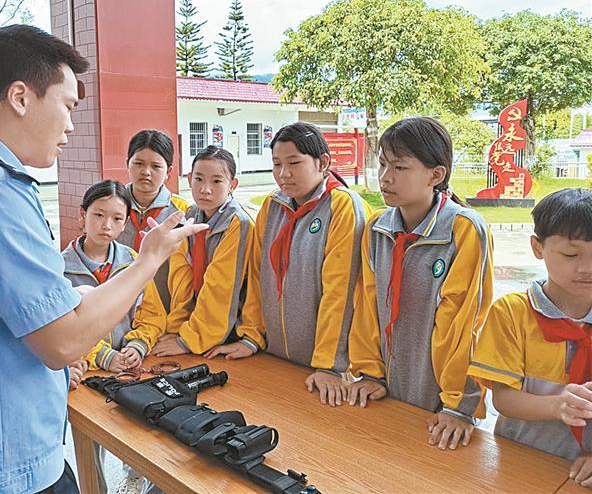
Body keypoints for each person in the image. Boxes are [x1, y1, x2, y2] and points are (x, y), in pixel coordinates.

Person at [0, 24, 206, 494]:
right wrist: (149, 260)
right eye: (67, 105)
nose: (71, 126)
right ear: (20, 97)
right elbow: (63, 341)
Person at [346, 117, 493, 451]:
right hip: (386, 392)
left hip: (444, 407)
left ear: (436, 175)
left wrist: (458, 405)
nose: (385, 177)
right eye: (383, 163)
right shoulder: (377, 228)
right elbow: (367, 306)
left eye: (400, 167)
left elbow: (464, 323)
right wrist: (369, 373)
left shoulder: (463, 229)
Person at [209, 122, 370, 401]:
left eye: (294, 163)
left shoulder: (342, 207)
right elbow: (258, 277)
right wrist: (252, 337)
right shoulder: (273, 206)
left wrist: (329, 365)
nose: (284, 174)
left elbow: (341, 293)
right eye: (277, 164)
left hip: (325, 370)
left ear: (323, 163)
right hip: (275, 357)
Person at [468, 188, 592, 485]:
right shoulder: (512, 313)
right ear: (538, 247)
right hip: (521, 459)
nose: (587, 267)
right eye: (571, 254)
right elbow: (504, 399)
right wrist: (558, 406)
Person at [151, 146, 263, 357]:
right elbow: (181, 277)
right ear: (189, 178)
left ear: (232, 185)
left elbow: (220, 287)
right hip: (196, 325)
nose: (205, 189)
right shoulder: (190, 214)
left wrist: (189, 340)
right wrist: (176, 327)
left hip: (229, 329)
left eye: (217, 181)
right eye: (199, 179)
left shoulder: (238, 223)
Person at [63, 180, 165, 372]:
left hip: (131, 369)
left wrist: (138, 345)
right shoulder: (60, 270)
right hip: (84, 372)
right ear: (83, 214)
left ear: (125, 223)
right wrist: (101, 355)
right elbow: (59, 331)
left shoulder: (134, 262)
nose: (107, 225)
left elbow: (152, 314)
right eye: (99, 215)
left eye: (117, 218)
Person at [117, 130, 190, 309]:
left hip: (164, 308)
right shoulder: (111, 206)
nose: (146, 172)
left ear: (169, 171)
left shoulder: (182, 212)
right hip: (115, 306)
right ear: (127, 164)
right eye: (138, 163)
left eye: (156, 166)